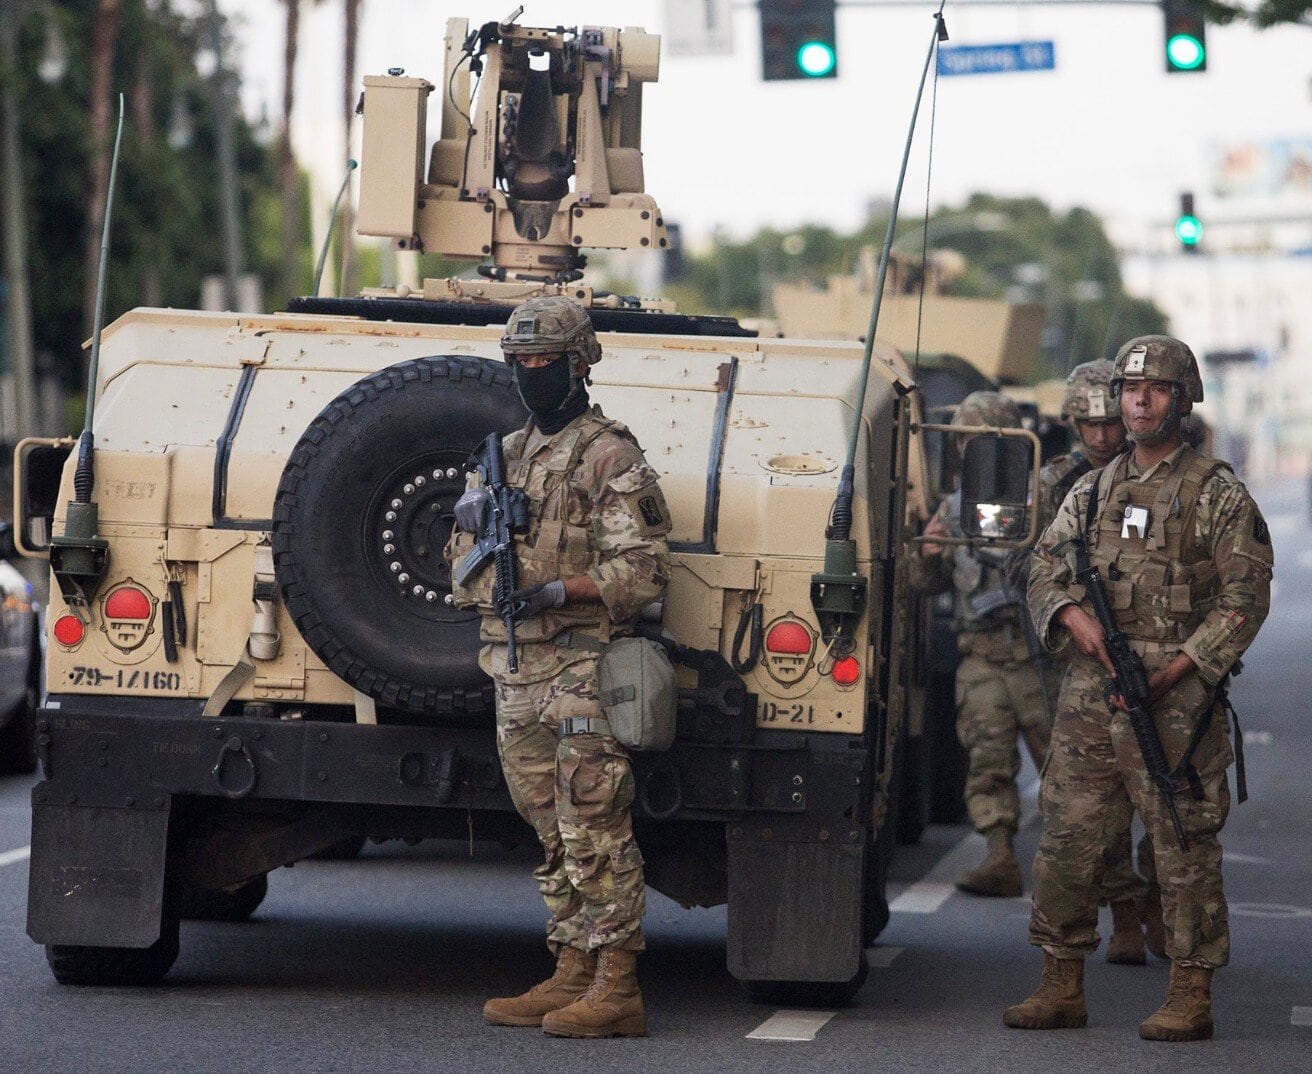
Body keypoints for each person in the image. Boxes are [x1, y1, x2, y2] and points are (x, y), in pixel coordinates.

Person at [1005, 335, 1272, 1041]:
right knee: (1067, 840)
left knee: (1181, 847)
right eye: (1130, 389)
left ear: (1181, 400)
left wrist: (1179, 670)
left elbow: (1244, 600)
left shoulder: (1215, 493)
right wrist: (1072, 619)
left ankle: (1190, 992)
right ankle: (1060, 981)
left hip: (1177, 702)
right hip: (1092, 694)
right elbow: (1041, 566)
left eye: (1155, 389)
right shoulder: (1090, 490)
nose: (1140, 400)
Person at [446, 296, 672, 1039]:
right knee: (548, 826)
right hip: (516, 665)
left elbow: (642, 572)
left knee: (593, 821)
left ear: (581, 364)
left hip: (583, 664)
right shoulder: (505, 456)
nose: (533, 374)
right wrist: (485, 561)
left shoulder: (610, 454)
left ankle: (617, 985)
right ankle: (572, 965)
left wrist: (559, 589)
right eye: (522, 362)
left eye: (546, 362)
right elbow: (457, 563)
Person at [1034, 360, 1157, 966]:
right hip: (1083, 659)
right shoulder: (1060, 486)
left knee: (1165, 794)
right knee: (1090, 804)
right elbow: (1030, 566)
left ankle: (1162, 899)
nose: (1104, 437)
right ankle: (1124, 909)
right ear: (1072, 423)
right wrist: (1068, 610)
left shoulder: (1163, 478)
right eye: (1090, 426)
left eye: (1112, 423)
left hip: (1164, 662)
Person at [914, 390, 1048, 898]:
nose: (976, 450)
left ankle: (1096, 877)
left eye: (987, 441)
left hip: (1038, 659)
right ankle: (999, 858)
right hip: (983, 659)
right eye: (968, 441)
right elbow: (925, 585)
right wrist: (927, 554)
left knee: (1070, 775)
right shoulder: (952, 511)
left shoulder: (1045, 502)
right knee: (987, 765)